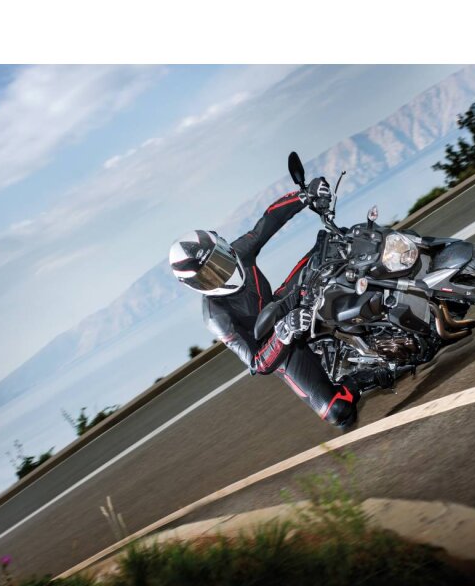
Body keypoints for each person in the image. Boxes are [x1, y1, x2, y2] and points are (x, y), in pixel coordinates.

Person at [168, 177, 393, 428]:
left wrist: (305, 195)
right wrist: (284, 333)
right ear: (195, 284)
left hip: (282, 303)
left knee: (335, 247)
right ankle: (361, 378)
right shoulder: (215, 315)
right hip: (277, 344)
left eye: (218, 259)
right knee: (338, 412)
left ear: (222, 246)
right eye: (208, 274)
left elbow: (269, 221)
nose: (219, 271)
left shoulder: (239, 252)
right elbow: (257, 363)